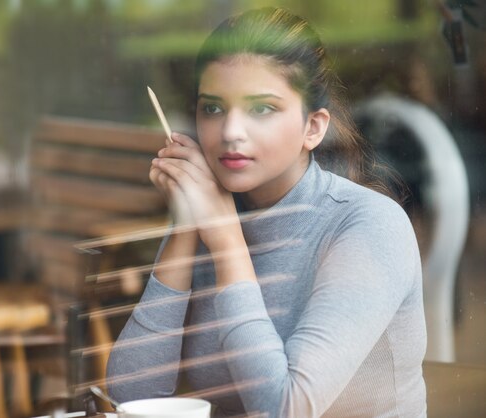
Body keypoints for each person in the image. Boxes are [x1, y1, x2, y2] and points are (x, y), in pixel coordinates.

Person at [106, 7, 427, 418]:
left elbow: (285, 409)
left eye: (261, 109)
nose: (230, 132)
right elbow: (129, 397)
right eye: (214, 108)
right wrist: (187, 225)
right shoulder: (212, 210)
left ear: (313, 128)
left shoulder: (369, 225)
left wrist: (225, 242)